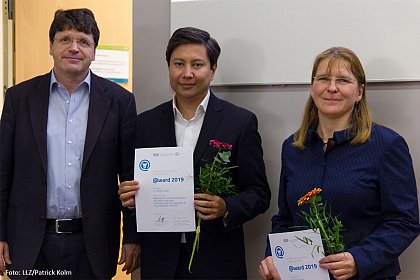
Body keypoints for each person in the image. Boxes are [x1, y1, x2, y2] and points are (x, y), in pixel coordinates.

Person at [118, 26, 271, 279]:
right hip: (159, 262)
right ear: (168, 67)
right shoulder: (145, 124)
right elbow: (132, 187)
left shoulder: (239, 122)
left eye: (197, 65)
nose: (187, 73)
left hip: (217, 262)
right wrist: (129, 199)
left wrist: (226, 206)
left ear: (212, 71)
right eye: (179, 64)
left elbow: (259, 193)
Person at [0, 8, 140, 279]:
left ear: (94, 50)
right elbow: (3, 171)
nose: (74, 48)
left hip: (91, 243)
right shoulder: (19, 98)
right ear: (51, 46)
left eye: (83, 41)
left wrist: (132, 236)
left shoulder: (120, 102)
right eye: (65, 39)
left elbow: (130, 177)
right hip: (30, 241)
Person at [259, 47, 420, 280]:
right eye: (323, 79)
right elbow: (285, 219)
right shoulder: (293, 148)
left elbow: (404, 222)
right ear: (313, 87)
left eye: (343, 80)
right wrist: (273, 257)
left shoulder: (387, 145)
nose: (331, 88)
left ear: (359, 92)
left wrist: (360, 259)